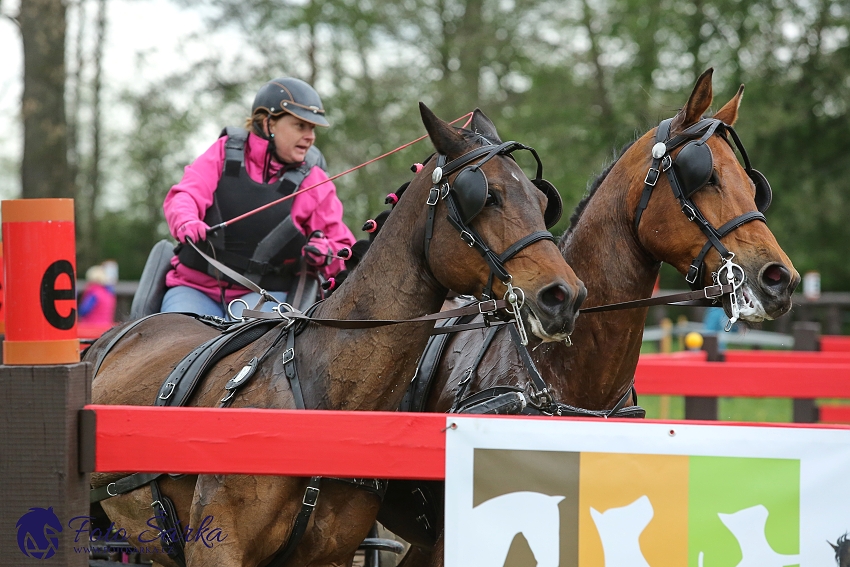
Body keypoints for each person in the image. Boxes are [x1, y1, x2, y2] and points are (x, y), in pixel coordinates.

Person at [161, 77, 355, 318]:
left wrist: (325, 251)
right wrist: (186, 221)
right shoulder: (223, 152)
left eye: (312, 128)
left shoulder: (314, 181)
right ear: (268, 123)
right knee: (178, 343)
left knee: (250, 349)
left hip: (264, 295)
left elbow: (343, 248)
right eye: (300, 126)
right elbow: (186, 195)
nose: (310, 136)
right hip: (194, 289)